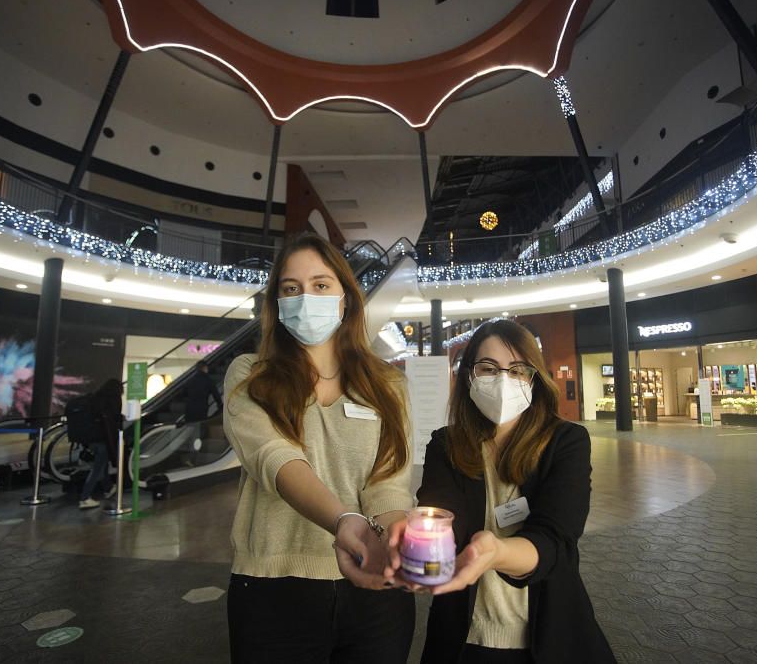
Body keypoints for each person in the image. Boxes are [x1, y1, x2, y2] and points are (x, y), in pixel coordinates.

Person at [222, 233, 415, 663]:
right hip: (273, 586)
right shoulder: (249, 375)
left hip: (374, 586)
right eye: (291, 288)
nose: (305, 297)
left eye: (321, 285)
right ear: (276, 303)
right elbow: (275, 458)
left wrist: (394, 537)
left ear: (345, 299)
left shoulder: (388, 385)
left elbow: (388, 482)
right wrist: (344, 521)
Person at [391, 319, 614, 663]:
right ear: (468, 376)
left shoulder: (565, 442)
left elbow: (556, 539)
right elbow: (440, 522)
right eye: (488, 368)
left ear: (534, 379)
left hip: (549, 633)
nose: (503, 380)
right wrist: (415, 545)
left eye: (518, 370)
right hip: (462, 636)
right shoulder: (446, 445)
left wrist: (495, 551)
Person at [78, 378, 123, 510]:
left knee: (102, 466)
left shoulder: (95, 398)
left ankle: (108, 488)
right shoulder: (113, 399)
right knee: (97, 469)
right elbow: (113, 420)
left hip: (91, 438)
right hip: (103, 439)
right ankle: (84, 498)